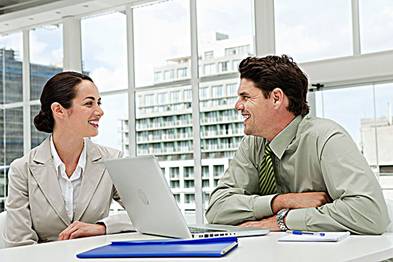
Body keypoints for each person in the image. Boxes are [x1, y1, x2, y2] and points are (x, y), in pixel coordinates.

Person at [205, 55, 390, 234]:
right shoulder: (252, 145)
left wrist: (284, 220)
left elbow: (371, 213)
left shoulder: (327, 138)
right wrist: (282, 201)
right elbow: (216, 209)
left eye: (246, 97)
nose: (237, 105)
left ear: (276, 98)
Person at [3, 71, 133, 247]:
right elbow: (19, 244)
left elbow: (152, 216)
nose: (100, 111)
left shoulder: (112, 160)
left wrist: (103, 227)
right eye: (89, 103)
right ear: (58, 110)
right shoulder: (22, 169)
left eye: (99, 103)